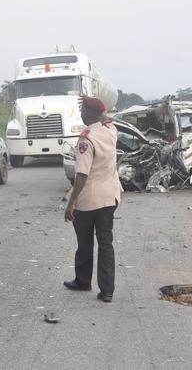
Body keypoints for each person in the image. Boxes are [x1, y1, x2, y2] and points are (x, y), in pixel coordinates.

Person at [64, 96, 122, 302]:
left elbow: (81, 174)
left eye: (83, 111)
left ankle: (83, 280)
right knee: (105, 243)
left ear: (89, 114)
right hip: (110, 197)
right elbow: (107, 119)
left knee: (85, 241)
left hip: (88, 200)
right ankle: (107, 291)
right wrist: (101, 113)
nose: (81, 114)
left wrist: (71, 202)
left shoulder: (86, 139)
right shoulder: (110, 131)